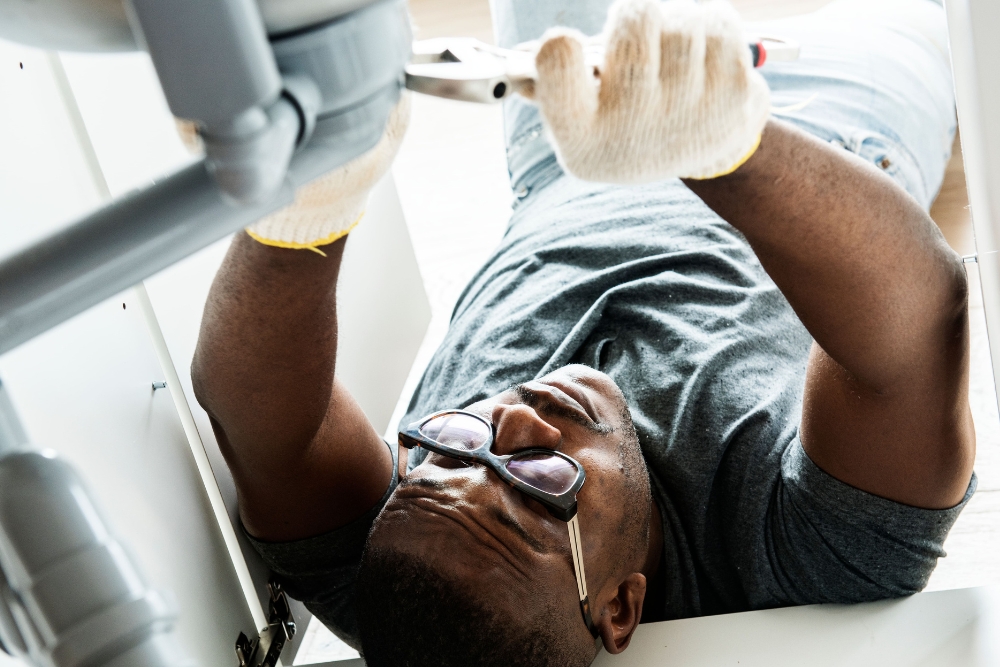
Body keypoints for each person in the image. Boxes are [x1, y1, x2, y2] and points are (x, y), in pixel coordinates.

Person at [190, 0, 976, 664]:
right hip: (817, 140)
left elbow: (260, 418)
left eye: (454, 445)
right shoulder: (802, 561)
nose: (515, 415)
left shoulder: (411, 570)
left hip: (559, 135)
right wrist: (720, 146)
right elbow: (919, 322)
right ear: (619, 606)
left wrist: (309, 202)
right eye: (538, 480)